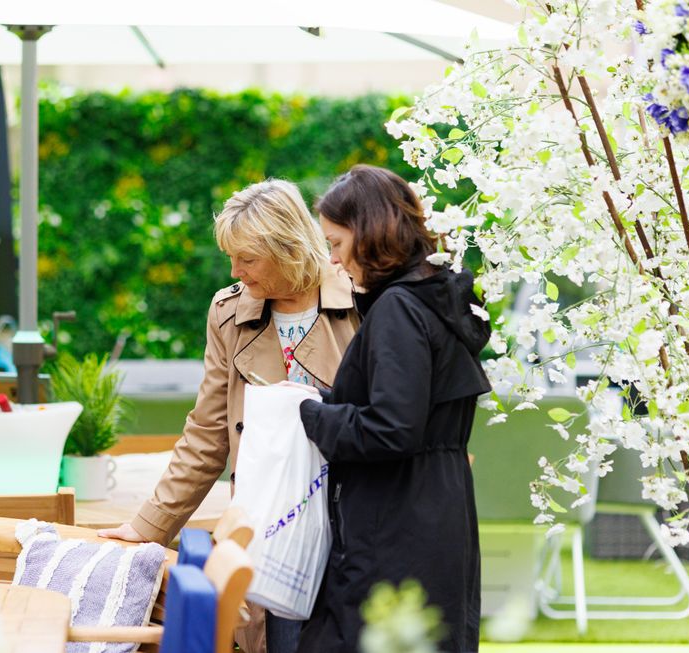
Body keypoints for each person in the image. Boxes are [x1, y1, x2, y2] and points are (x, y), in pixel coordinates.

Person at [99, 179, 360, 653]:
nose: (236, 271)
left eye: (248, 258)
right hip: (269, 534)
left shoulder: (363, 302)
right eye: (231, 257)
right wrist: (148, 526)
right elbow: (207, 433)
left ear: (288, 247)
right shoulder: (227, 313)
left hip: (352, 525)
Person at [295, 165, 491, 653]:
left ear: (369, 233)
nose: (335, 262)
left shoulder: (399, 309)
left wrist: (310, 412)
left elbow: (392, 429)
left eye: (337, 244)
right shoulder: (436, 299)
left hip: (397, 519)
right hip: (436, 510)